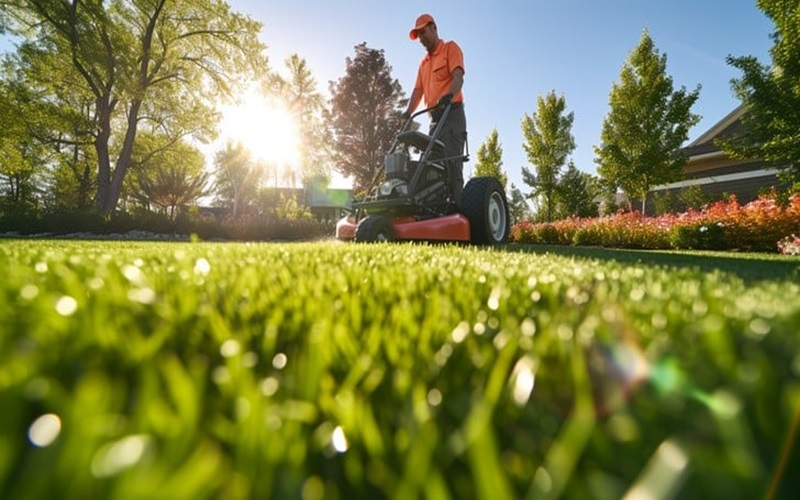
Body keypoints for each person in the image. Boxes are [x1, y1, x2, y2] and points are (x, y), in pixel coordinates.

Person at [402, 13, 467, 206]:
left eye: (423, 32)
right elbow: (418, 91)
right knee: (428, 165)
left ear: (434, 28)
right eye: (419, 35)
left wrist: (449, 95)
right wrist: (408, 112)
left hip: (452, 113)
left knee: (451, 164)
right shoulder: (423, 65)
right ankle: (432, 209)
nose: (422, 38)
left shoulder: (450, 48)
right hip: (434, 120)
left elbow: (458, 77)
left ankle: (459, 212)